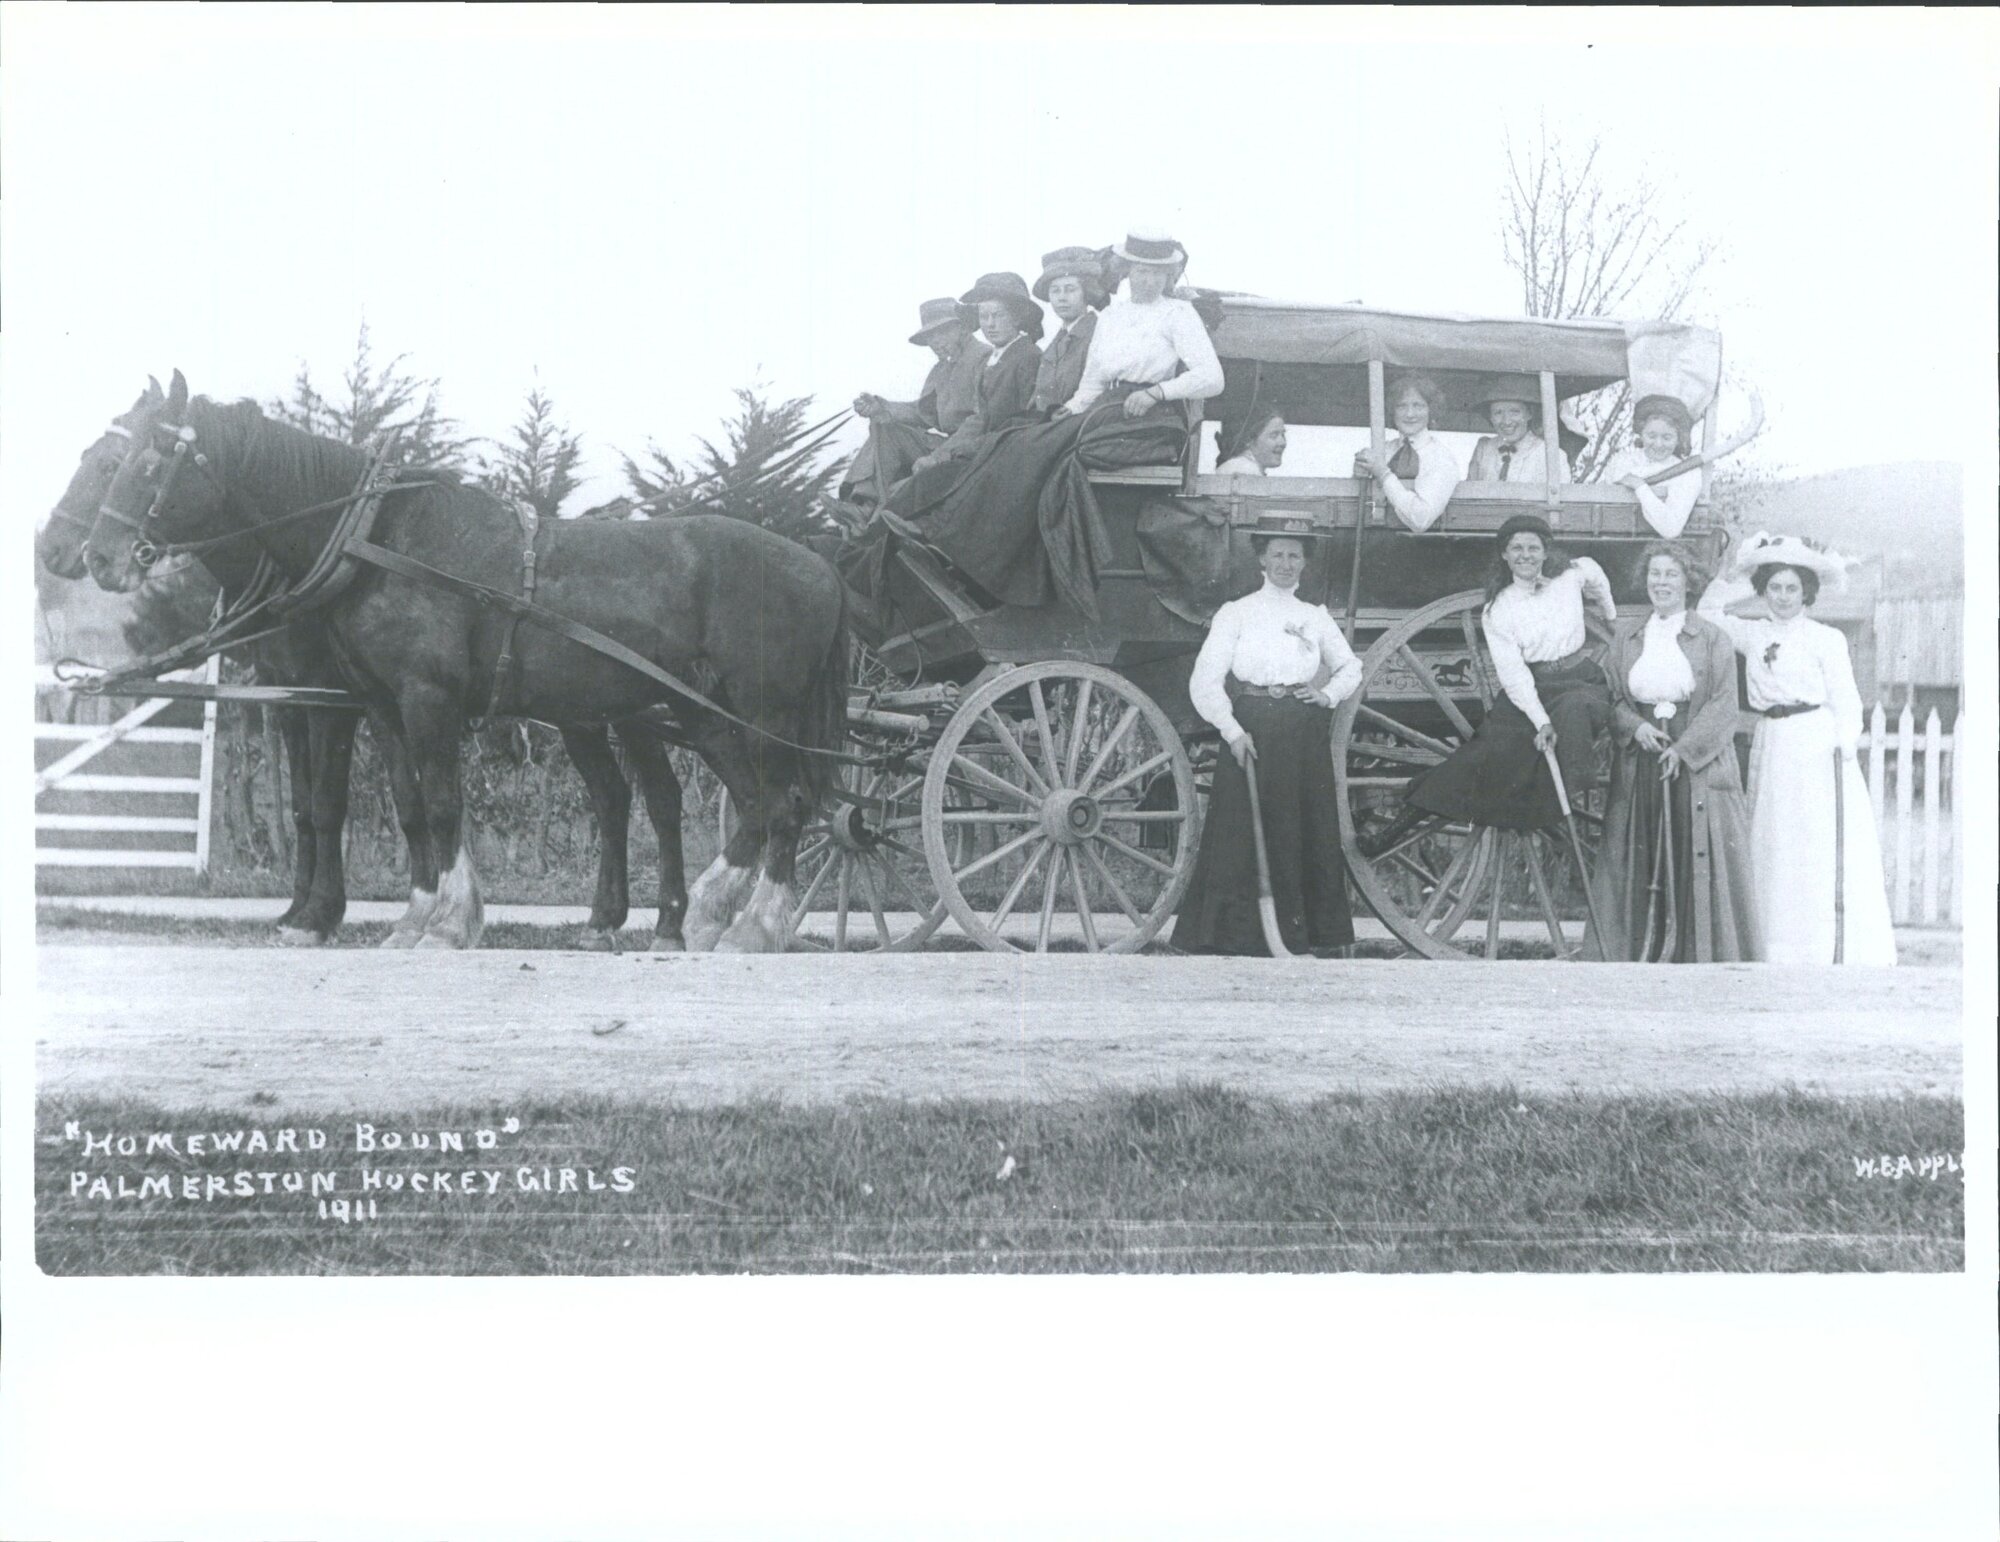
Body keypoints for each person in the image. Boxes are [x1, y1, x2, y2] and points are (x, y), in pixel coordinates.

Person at [1698, 531, 1896, 966]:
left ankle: (1821, 945)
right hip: (1772, 741)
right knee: (1774, 839)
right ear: (1763, 590)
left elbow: (1847, 702)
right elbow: (1708, 612)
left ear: (1807, 592)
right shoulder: (1752, 634)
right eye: (1774, 587)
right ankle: (1775, 944)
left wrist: (1844, 745)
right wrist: (1736, 572)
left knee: (1812, 841)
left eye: (1792, 588)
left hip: (1815, 744)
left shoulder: (1826, 638)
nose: (1783, 597)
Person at [1170, 514, 1363, 956]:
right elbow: (1205, 679)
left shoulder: (1313, 617)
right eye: (1277, 554)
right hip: (1252, 725)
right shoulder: (1237, 613)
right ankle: (1234, 936)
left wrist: (1328, 695)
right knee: (1242, 828)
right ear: (1261, 558)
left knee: (1301, 826)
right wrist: (1233, 731)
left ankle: (1298, 936)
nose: (1286, 563)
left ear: (1304, 563)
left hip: (1301, 727)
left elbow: (1351, 666)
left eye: (1294, 555)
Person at [1364, 515, 1615, 853]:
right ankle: (1391, 833)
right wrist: (1540, 722)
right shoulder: (1499, 608)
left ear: (1545, 552)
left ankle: (1556, 806)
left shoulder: (1570, 576)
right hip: (1533, 690)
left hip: (1579, 681)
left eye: (1532, 548)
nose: (1525, 555)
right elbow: (1514, 675)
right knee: (1482, 754)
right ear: (1504, 555)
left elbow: (1595, 573)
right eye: (1516, 548)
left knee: (1573, 711)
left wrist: (1610, 614)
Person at [1583, 541, 1759, 962]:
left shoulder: (1713, 638)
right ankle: (1637, 950)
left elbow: (1722, 705)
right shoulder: (1627, 636)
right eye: (1654, 575)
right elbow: (1610, 697)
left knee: (1693, 850)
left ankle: (1694, 953)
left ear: (1688, 582)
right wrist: (1635, 726)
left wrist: (1683, 750)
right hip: (1641, 756)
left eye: (1670, 575)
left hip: (1694, 761)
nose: (1661, 583)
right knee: (1638, 850)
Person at [1056, 226, 1226, 421]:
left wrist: (1156, 393)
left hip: (1152, 416)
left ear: (1168, 275)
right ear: (1127, 272)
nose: (1150, 281)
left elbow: (1212, 378)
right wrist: (1073, 407)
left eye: (1158, 273)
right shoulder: (1110, 316)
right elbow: (1094, 380)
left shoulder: (1177, 313)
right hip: (1107, 408)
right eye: (1142, 271)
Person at [840, 298, 990, 505]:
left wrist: (938, 456)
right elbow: (925, 413)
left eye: (942, 332)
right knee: (885, 427)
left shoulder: (985, 358)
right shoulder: (942, 369)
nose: (935, 342)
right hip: (949, 446)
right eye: (930, 336)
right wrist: (882, 408)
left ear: (962, 327)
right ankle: (863, 502)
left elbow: (981, 419)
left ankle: (877, 509)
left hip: (973, 449)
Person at [909, 273, 1045, 474]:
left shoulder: (1028, 356)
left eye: (998, 315)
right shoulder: (995, 359)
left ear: (1017, 318)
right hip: (982, 449)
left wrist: (956, 452)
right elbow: (981, 417)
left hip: (1006, 455)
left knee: (920, 488)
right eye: (983, 316)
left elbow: (1029, 419)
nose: (990, 324)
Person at [1352, 372, 1463, 532]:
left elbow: (1421, 520)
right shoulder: (1384, 450)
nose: (1410, 414)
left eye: (1418, 406)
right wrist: (1359, 474)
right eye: (1401, 406)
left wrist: (1383, 474)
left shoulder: (1441, 457)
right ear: (1392, 411)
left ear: (1431, 410)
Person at [1603, 394, 1702, 538]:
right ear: (1641, 434)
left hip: (1661, 549)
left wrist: (1639, 486)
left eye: (1667, 437)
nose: (1658, 444)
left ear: (1678, 439)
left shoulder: (1688, 473)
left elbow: (1670, 529)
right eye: (1651, 436)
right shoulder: (1622, 461)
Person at [1028, 247, 1106, 419]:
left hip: (1077, 423)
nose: (1062, 297)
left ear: (1087, 293)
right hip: (1047, 423)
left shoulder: (1099, 333)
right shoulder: (1055, 342)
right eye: (1055, 291)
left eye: (1070, 289)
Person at [1464, 375, 1572, 484]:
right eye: (1498, 413)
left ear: (1529, 414)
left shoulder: (1550, 455)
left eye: (1515, 412)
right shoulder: (1484, 450)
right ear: (1490, 417)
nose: (1506, 421)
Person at [1215, 407, 1286, 475]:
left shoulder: (1245, 467)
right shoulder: (1244, 470)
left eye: (1283, 435)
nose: (1283, 442)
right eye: (1273, 435)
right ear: (1249, 440)